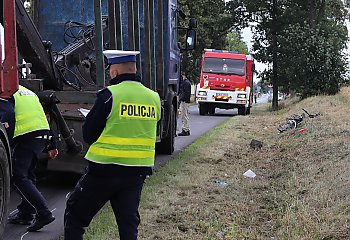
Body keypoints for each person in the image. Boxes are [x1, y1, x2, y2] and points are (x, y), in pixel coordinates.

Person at [64, 50, 161, 240]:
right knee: (128, 226)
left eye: (110, 70)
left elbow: (89, 134)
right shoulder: (154, 98)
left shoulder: (109, 95)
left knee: (75, 217)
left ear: (115, 72)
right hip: (136, 173)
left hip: (103, 170)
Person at [0, 85, 57, 232]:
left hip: (26, 136)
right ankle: (26, 213)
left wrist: (6, 144)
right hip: (40, 135)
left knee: (17, 176)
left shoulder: (5, 90)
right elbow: (43, 116)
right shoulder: (25, 90)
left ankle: (43, 212)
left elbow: (7, 114)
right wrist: (52, 143)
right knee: (28, 176)